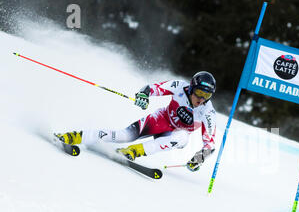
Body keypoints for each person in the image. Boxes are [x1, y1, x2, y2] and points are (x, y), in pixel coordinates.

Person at [55, 71, 217, 172]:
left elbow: (210, 144)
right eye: (200, 92)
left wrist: (200, 158)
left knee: (183, 137)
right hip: (160, 120)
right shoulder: (179, 86)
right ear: (191, 87)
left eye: (207, 96)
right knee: (123, 136)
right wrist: (143, 96)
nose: (201, 99)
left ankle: (134, 151)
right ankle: (75, 136)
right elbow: (151, 88)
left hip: (173, 134)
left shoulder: (208, 112)